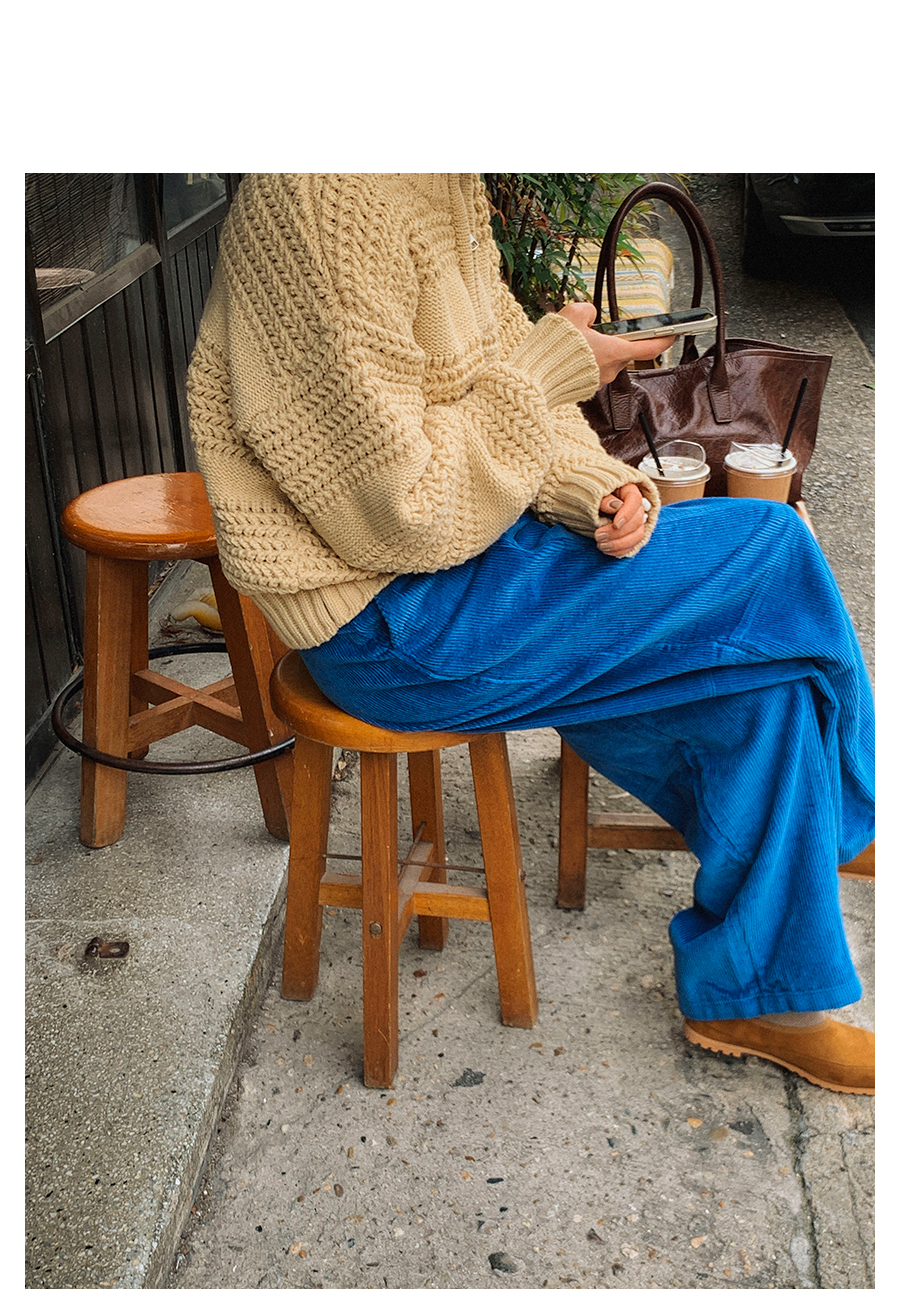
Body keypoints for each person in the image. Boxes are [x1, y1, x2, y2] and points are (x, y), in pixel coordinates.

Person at [187, 174, 875, 1096]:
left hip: (470, 561)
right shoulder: (321, 197)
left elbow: (511, 398)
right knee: (771, 548)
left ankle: (758, 997)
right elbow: (397, 509)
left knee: (768, 681)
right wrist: (552, 367)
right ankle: (852, 810)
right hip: (386, 617)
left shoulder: (438, 172)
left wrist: (599, 488)